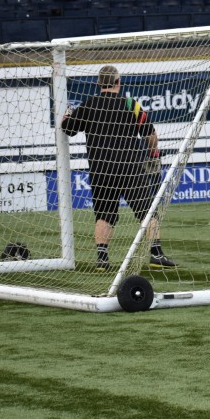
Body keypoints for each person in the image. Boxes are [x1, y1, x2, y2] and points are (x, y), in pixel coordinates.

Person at [61, 65, 176, 270]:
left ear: (99, 83)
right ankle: (156, 254)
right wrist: (152, 154)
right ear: (118, 82)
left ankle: (102, 259)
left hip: (101, 170)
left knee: (104, 214)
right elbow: (150, 134)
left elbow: (68, 129)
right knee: (148, 211)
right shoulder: (131, 104)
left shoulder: (89, 104)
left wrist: (67, 115)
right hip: (129, 167)